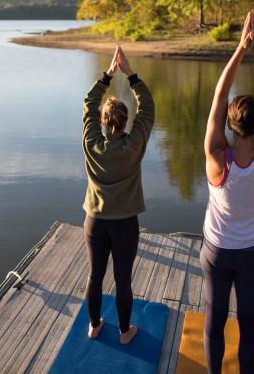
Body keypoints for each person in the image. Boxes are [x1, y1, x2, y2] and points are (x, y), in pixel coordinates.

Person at [201, 12, 254, 373]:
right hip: (253, 256)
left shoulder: (217, 157)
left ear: (230, 125)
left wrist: (239, 49)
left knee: (214, 322)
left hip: (217, 253)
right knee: (250, 328)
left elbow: (220, 96)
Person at [81, 45, 154, 345]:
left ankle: (94, 325)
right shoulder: (133, 144)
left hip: (95, 221)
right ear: (125, 122)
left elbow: (88, 103)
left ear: (102, 121)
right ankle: (125, 333)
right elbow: (147, 108)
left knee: (95, 277)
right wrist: (130, 75)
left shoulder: (91, 142)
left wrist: (107, 76)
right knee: (123, 281)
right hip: (125, 224)